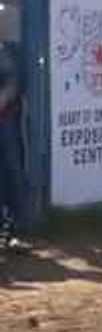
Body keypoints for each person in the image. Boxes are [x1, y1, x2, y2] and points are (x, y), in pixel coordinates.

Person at [0, 42, 28, 253]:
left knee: (12, 172)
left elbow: (12, 85)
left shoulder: (7, 52)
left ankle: (14, 231)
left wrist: (3, 100)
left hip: (6, 119)